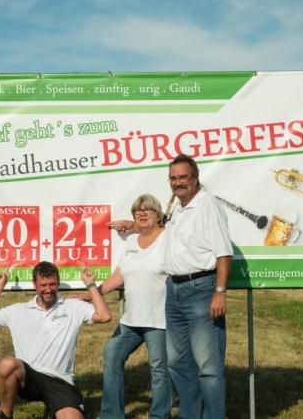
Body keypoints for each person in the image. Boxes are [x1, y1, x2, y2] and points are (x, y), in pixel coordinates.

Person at [112, 154, 233, 419]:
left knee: (208, 367)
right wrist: (134, 226)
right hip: (174, 292)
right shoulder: (178, 208)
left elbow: (224, 253)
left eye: (183, 177)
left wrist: (219, 292)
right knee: (177, 363)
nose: (178, 183)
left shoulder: (208, 205)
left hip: (201, 290)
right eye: (173, 178)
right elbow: (161, 231)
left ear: (195, 177)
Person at [0, 261, 112, 419]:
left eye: (52, 284)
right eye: (43, 285)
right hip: (29, 378)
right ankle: (5, 415)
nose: (48, 290)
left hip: (60, 381)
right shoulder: (18, 310)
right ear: (35, 285)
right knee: (7, 364)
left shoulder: (72, 306)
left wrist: (91, 285)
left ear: (58, 282)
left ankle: (55, 408)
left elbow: (104, 316)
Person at [89, 193, 171, 419]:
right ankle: (111, 415)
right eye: (137, 210)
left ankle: (159, 415)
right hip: (131, 319)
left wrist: (134, 225)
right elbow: (119, 276)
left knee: (158, 370)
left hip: (158, 320)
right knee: (112, 353)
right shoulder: (132, 242)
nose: (142, 213)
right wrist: (92, 293)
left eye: (148, 210)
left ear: (158, 215)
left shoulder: (168, 238)